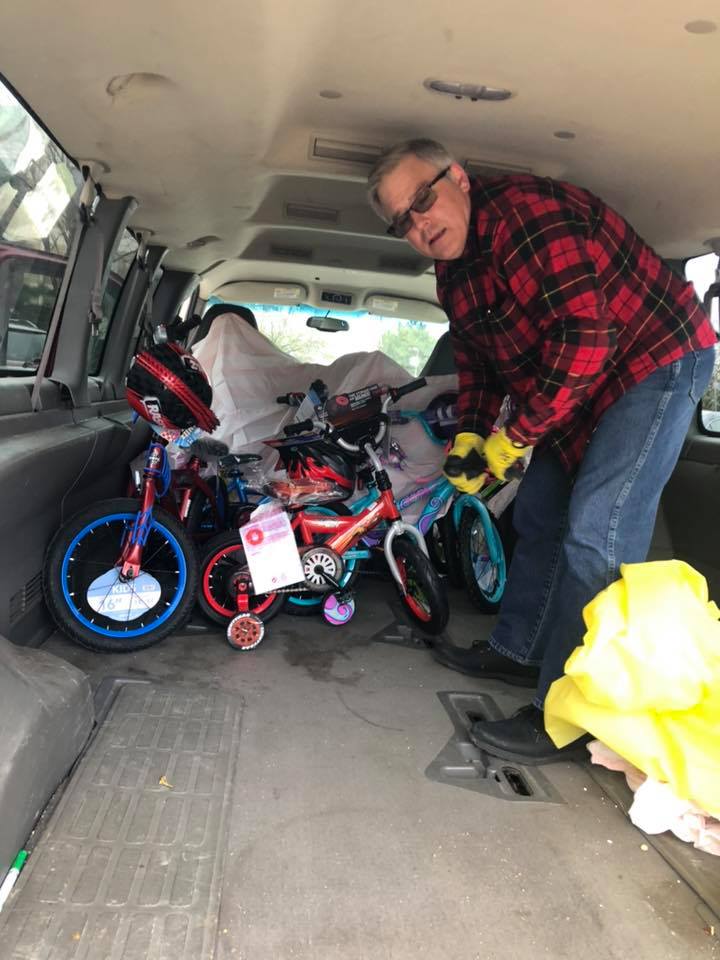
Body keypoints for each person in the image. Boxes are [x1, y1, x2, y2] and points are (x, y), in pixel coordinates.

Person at [367, 138, 716, 764]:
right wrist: (473, 433)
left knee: (597, 534)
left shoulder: (527, 215)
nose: (419, 224)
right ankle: (520, 651)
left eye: (422, 199)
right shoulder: (453, 272)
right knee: (538, 515)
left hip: (652, 360)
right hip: (578, 385)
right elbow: (480, 363)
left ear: (459, 178)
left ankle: (570, 718)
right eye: (402, 222)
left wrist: (515, 437)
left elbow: (586, 338)